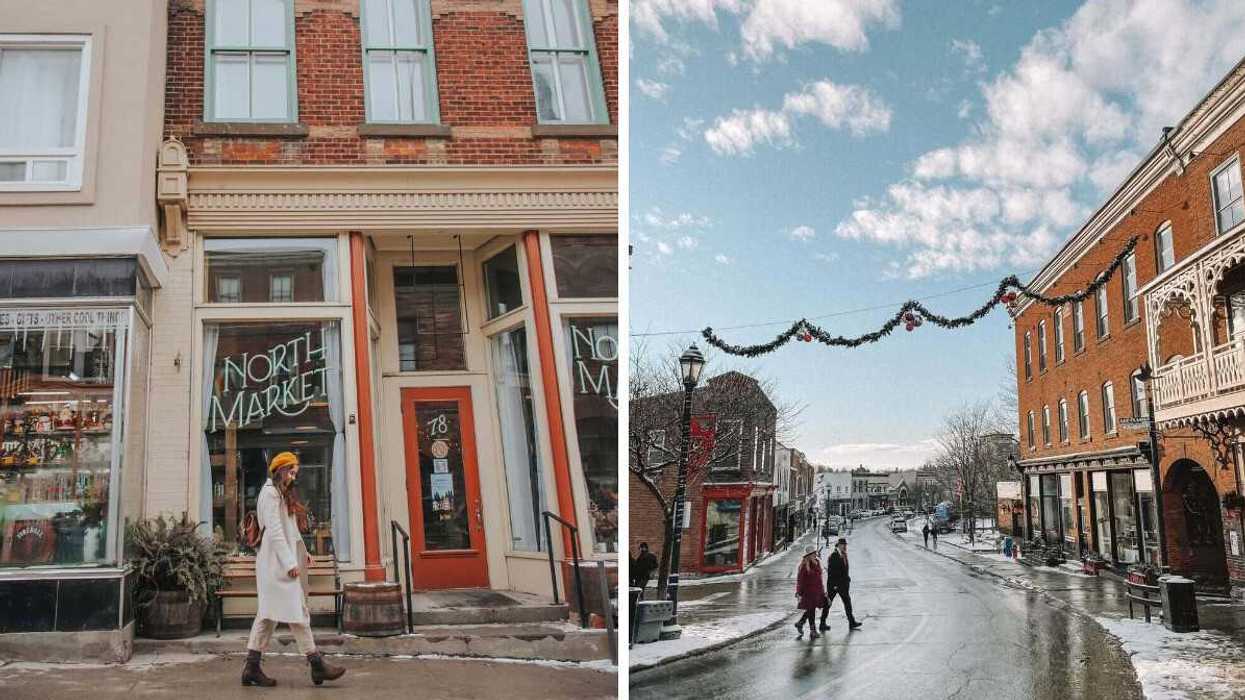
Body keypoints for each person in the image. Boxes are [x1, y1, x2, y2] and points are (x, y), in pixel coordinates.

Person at [241, 452, 346, 688]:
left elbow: (289, 527)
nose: (293, 476)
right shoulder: (269, 494)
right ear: (280, 470)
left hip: (277, 564)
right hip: (275, 565)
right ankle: (317, 664)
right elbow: (275, 531)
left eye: (295, 472)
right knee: (296, 612)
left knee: (267, 616)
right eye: (291, 471)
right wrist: (290, 564)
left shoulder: (279, 494)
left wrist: (303, 552)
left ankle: (251, 667)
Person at [820, 538, 862, 632]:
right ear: (838, 545)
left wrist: (847, 578)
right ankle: (822, 623)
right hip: (834, 585)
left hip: (842, 585)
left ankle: (851, 622)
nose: (845, 546)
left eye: (845, 545)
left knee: (847, 603)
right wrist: (835, 585)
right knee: (828, 604)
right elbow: (831, 572)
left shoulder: (843, 555)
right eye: (843, 545)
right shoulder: (834, 556)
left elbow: (844, 570)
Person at [794, 545, 827, 640]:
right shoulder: (804, 566)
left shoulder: (817, 563)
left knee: (812, 609)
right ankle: (813, 631)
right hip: (808, 593)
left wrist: (823, 591)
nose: (815, 555)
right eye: (813, 554)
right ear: (808, 555)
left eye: (815, 553)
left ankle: (800, 623)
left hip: (818, 591)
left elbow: (820, 578)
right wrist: (798, 592)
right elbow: (800, 580)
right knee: (811, 610)